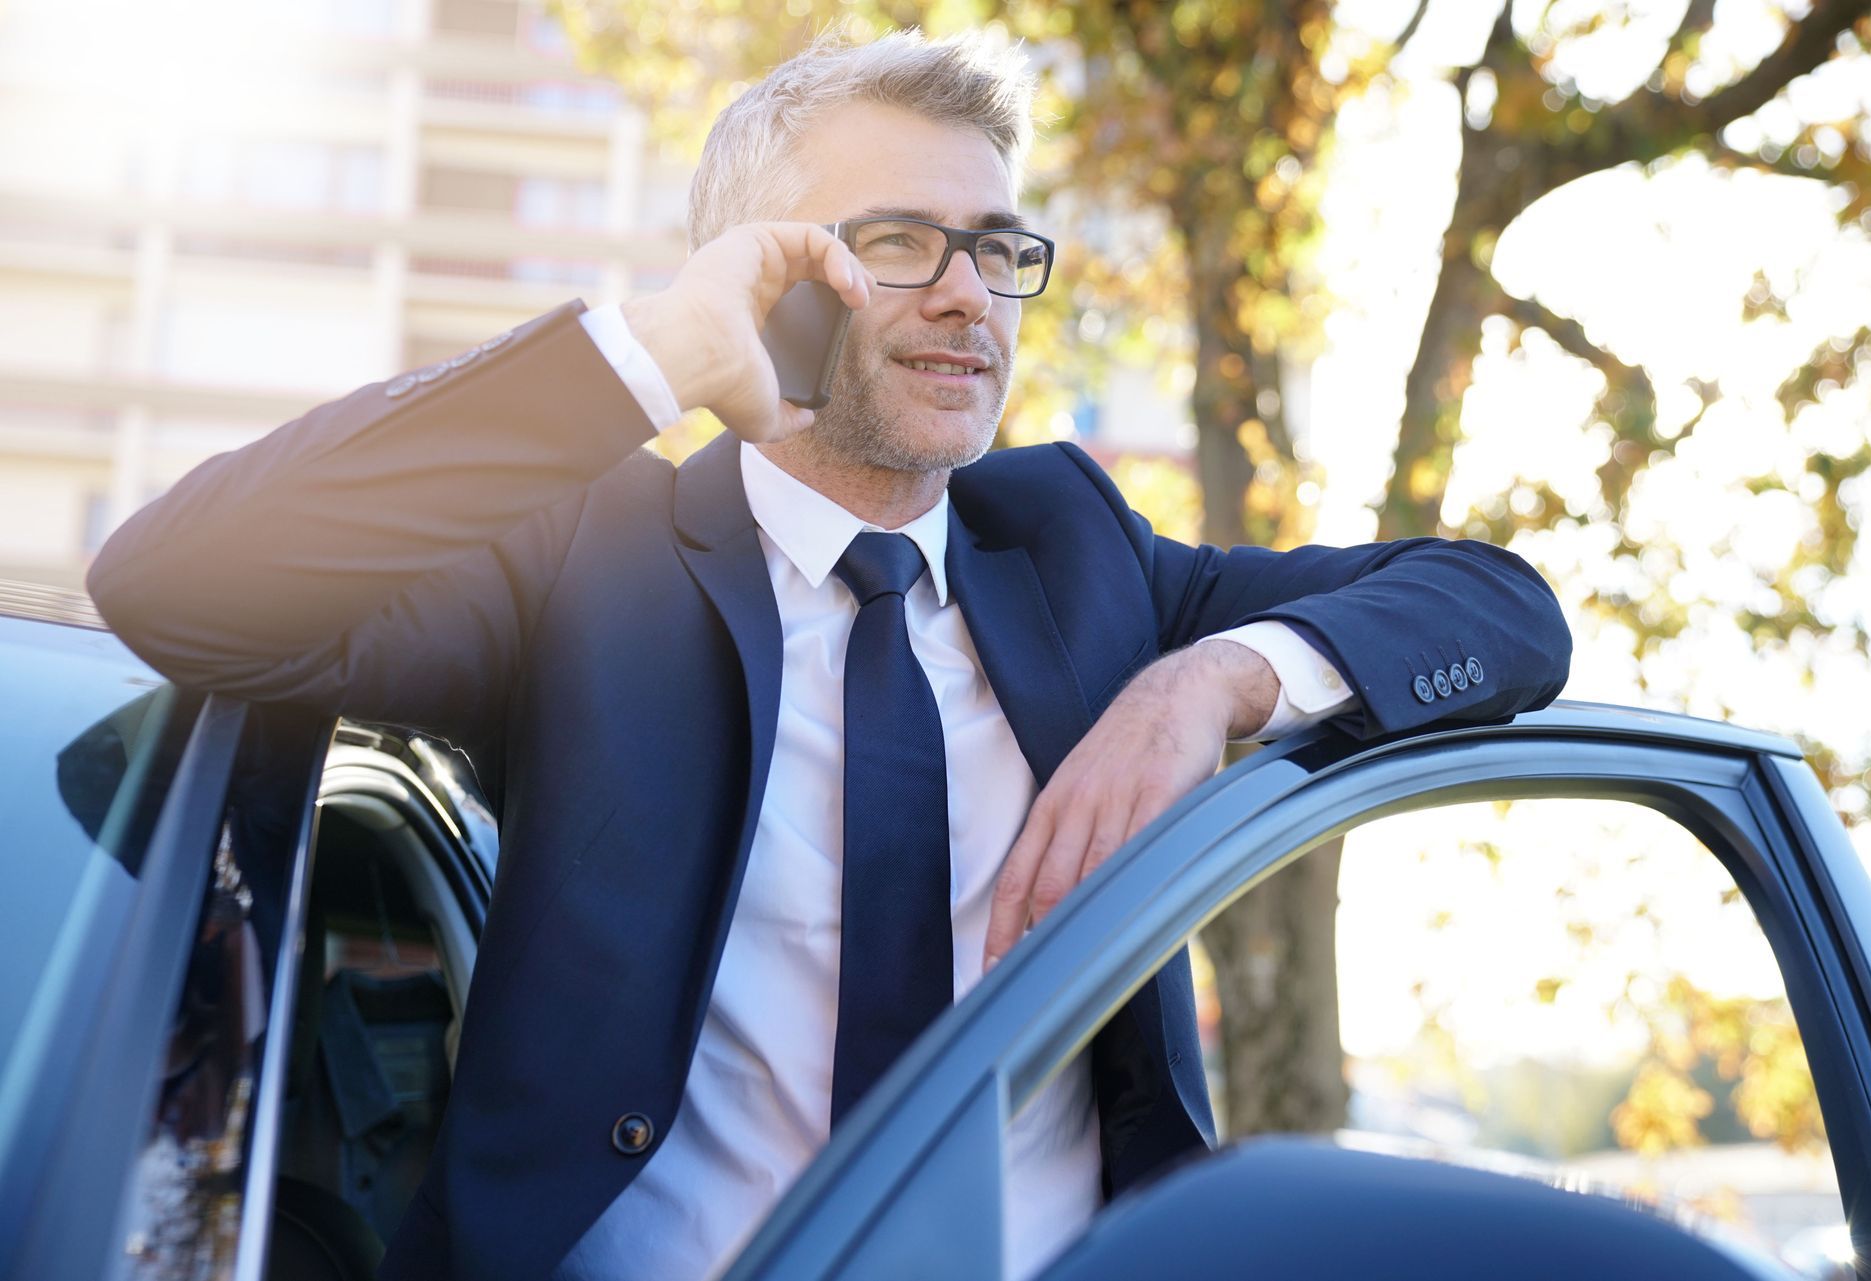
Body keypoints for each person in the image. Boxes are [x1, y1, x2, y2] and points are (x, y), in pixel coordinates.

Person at [87, 28, 1573, 1281]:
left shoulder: (1082, 553)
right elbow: (180, 580)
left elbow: (1502, 606)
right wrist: (652, 353)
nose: (967, 292)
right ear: (758, 271)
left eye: (998, 248)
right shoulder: (589, 563)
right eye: (900, 242)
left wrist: (1216, 680)